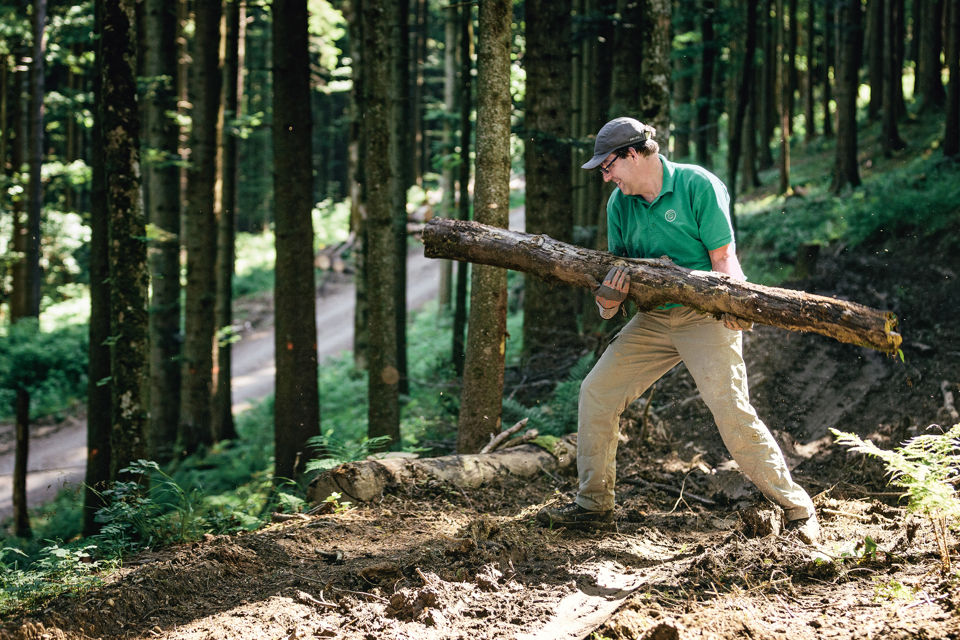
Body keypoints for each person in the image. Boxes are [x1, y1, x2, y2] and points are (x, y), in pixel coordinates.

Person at [536, 117, 821, 544]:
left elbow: (723, 257)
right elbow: (613, 289)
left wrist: (734, 301)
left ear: (633, 153)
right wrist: (608, 301)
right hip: (652, 319)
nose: (605, 176)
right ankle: (593, 506)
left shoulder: (696, 186)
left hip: (704, 317)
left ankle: (796, 509)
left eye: (608, 166)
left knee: (731, 412)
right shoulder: (619, 205)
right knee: (596, 392)